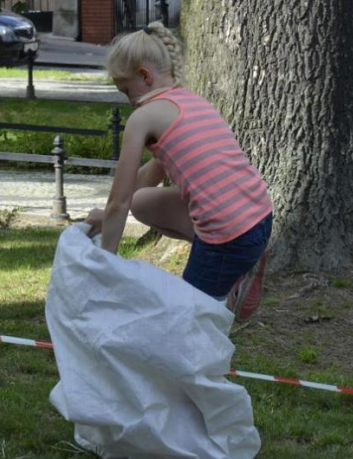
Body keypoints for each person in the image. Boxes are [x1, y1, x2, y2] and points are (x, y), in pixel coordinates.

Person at [84, 22, 273, 323]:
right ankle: (242, 266)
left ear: (144, 76)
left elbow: (117, 202)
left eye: (126, 90)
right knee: (142, 201)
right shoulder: (193, 103)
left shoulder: (143, 117)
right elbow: (145, 181)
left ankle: (233, 273)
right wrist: (104, 219)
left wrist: (104, 263)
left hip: (229, 236)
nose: (127, 100)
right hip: (260, 217)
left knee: (188, 325)